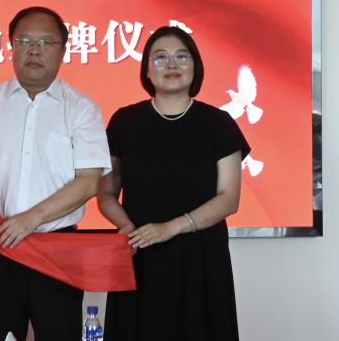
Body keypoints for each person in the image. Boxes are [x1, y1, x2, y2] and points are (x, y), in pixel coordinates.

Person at [0, 7, 111, 341]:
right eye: (25, 41)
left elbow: (89, 180)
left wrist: (30, 219)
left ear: (63, 50)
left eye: (46, 42)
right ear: (12, 47)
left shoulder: (80, 108)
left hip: (58, 250)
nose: (35, 50)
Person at [97, 26, 250, 341]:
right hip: (140, 251)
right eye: (160, 57)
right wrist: (125, 226)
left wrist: (171, 228)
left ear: (195, 66)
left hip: (201, 257)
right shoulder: (125, 122)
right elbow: (106, 193)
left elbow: (228, 198)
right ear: (146, 70)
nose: (171, 64)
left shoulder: (218, 124)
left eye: (182, 56)